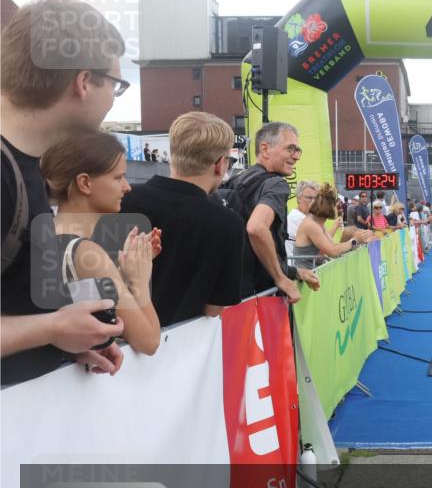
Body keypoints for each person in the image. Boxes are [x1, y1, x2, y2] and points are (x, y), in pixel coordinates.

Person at [1, 0, 127, 384]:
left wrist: (63, 343)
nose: (114, 98)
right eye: (117, 85)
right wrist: (52, 328)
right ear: (84, 82)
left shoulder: (28, 165)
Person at [115, 111, 245, 326]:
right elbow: (214, 308)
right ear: (220, 164)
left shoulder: (121, 199)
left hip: (113, 336)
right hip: (182, 339)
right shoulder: (228, 224)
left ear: (172, 153)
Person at [42, 130, 160, 355]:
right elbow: (149, 341)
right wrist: (139, 279)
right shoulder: (85, 253)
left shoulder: (45, 236)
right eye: (118, 177)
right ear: (85, 183)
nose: (127, 187)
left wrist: (121, 273)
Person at [232, 122, 319, 302]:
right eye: (290, 149)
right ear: (265, 149)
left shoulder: (237, 180)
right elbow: (256, 227)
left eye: (298, 150)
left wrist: (294, 272)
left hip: (233, 294)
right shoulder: (276, 184)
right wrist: (281, 278)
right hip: (260, 298)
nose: (296, 156)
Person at [291, 185, 368, 269]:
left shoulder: (318, 222)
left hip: (311, 271)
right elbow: (333, 252)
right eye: (336, 204)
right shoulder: (311, 225)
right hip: (306, 273)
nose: (339, 207)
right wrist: (355, 240)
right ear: (330, 206)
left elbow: (333, 246)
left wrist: (356, 240)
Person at [286, 181, 319, 256]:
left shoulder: (306, 218)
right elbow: (323, 248)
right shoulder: (297, 219)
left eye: (316, 198)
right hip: (297, 262)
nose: (313, 202)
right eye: (309, 198)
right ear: (298, 199)